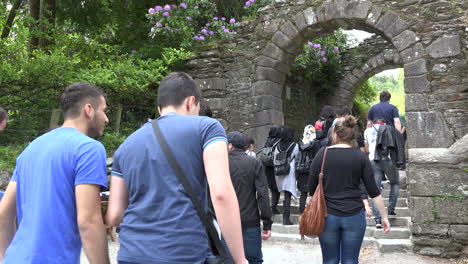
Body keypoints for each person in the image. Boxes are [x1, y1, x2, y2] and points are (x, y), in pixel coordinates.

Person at [105, 72, 246, 264]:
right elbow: (221, 194)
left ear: (159, 108)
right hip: (183, 253)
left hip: (131, 254)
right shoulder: (207, 128)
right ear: (191, 102)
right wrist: (240, 259)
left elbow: (114, 216)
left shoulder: (126, 146)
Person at [0, 82, 110, 263]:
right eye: (104, 111)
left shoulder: (31, 149)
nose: (106, 119)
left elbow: (4, 213)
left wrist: (5, 257)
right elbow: (88, 221)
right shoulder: (88, 149)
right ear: (88, 110)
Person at [309, 116, 390, 264]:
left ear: (334, 134)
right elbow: (373, 190)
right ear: (352, 136)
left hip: (327, 216)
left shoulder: (322, 154)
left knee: (329, 260)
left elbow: (311, 188)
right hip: (354, 216)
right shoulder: (361, 157)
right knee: (350, 261)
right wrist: (384, 216)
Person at [227, 132, 272, 264]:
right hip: (250, 219)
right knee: (254, 259)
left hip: (226, 221)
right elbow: (263, 195)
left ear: (230, 146)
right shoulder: (255, 163)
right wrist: (267, 223)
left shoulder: (221, 163)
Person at [364, 118, 400, 228]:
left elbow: (366, 149)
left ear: (374, 123)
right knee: (395, 183)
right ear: (384, 123)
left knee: (376, 189)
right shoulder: (389, 129)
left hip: (373, 161)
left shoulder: (367, 131)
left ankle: (378, 220)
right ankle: (391, 209)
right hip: (388, 160)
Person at [273, 127, 299, 225]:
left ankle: (280, 214)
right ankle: (286, 219)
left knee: (283, 193)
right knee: (288, 194)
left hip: (279, 171)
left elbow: (274, 158)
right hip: (289, 171)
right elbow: (297, 158)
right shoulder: (294, 145)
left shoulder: (277, 146)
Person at [296, 125, 320, 214]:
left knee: (303, 194)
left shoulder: (301, 143)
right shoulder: (316, 143)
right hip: (312, 171)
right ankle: (313, 214)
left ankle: (302, 214)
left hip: (302, 170)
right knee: (313, 193)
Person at [261, 125, 282, 214]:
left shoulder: (267, 141)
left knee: (272, 188)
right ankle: (273, 207)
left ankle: (270, 207)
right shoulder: (279, 141)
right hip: (275, 167)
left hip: (267, 167)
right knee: (276, 189)